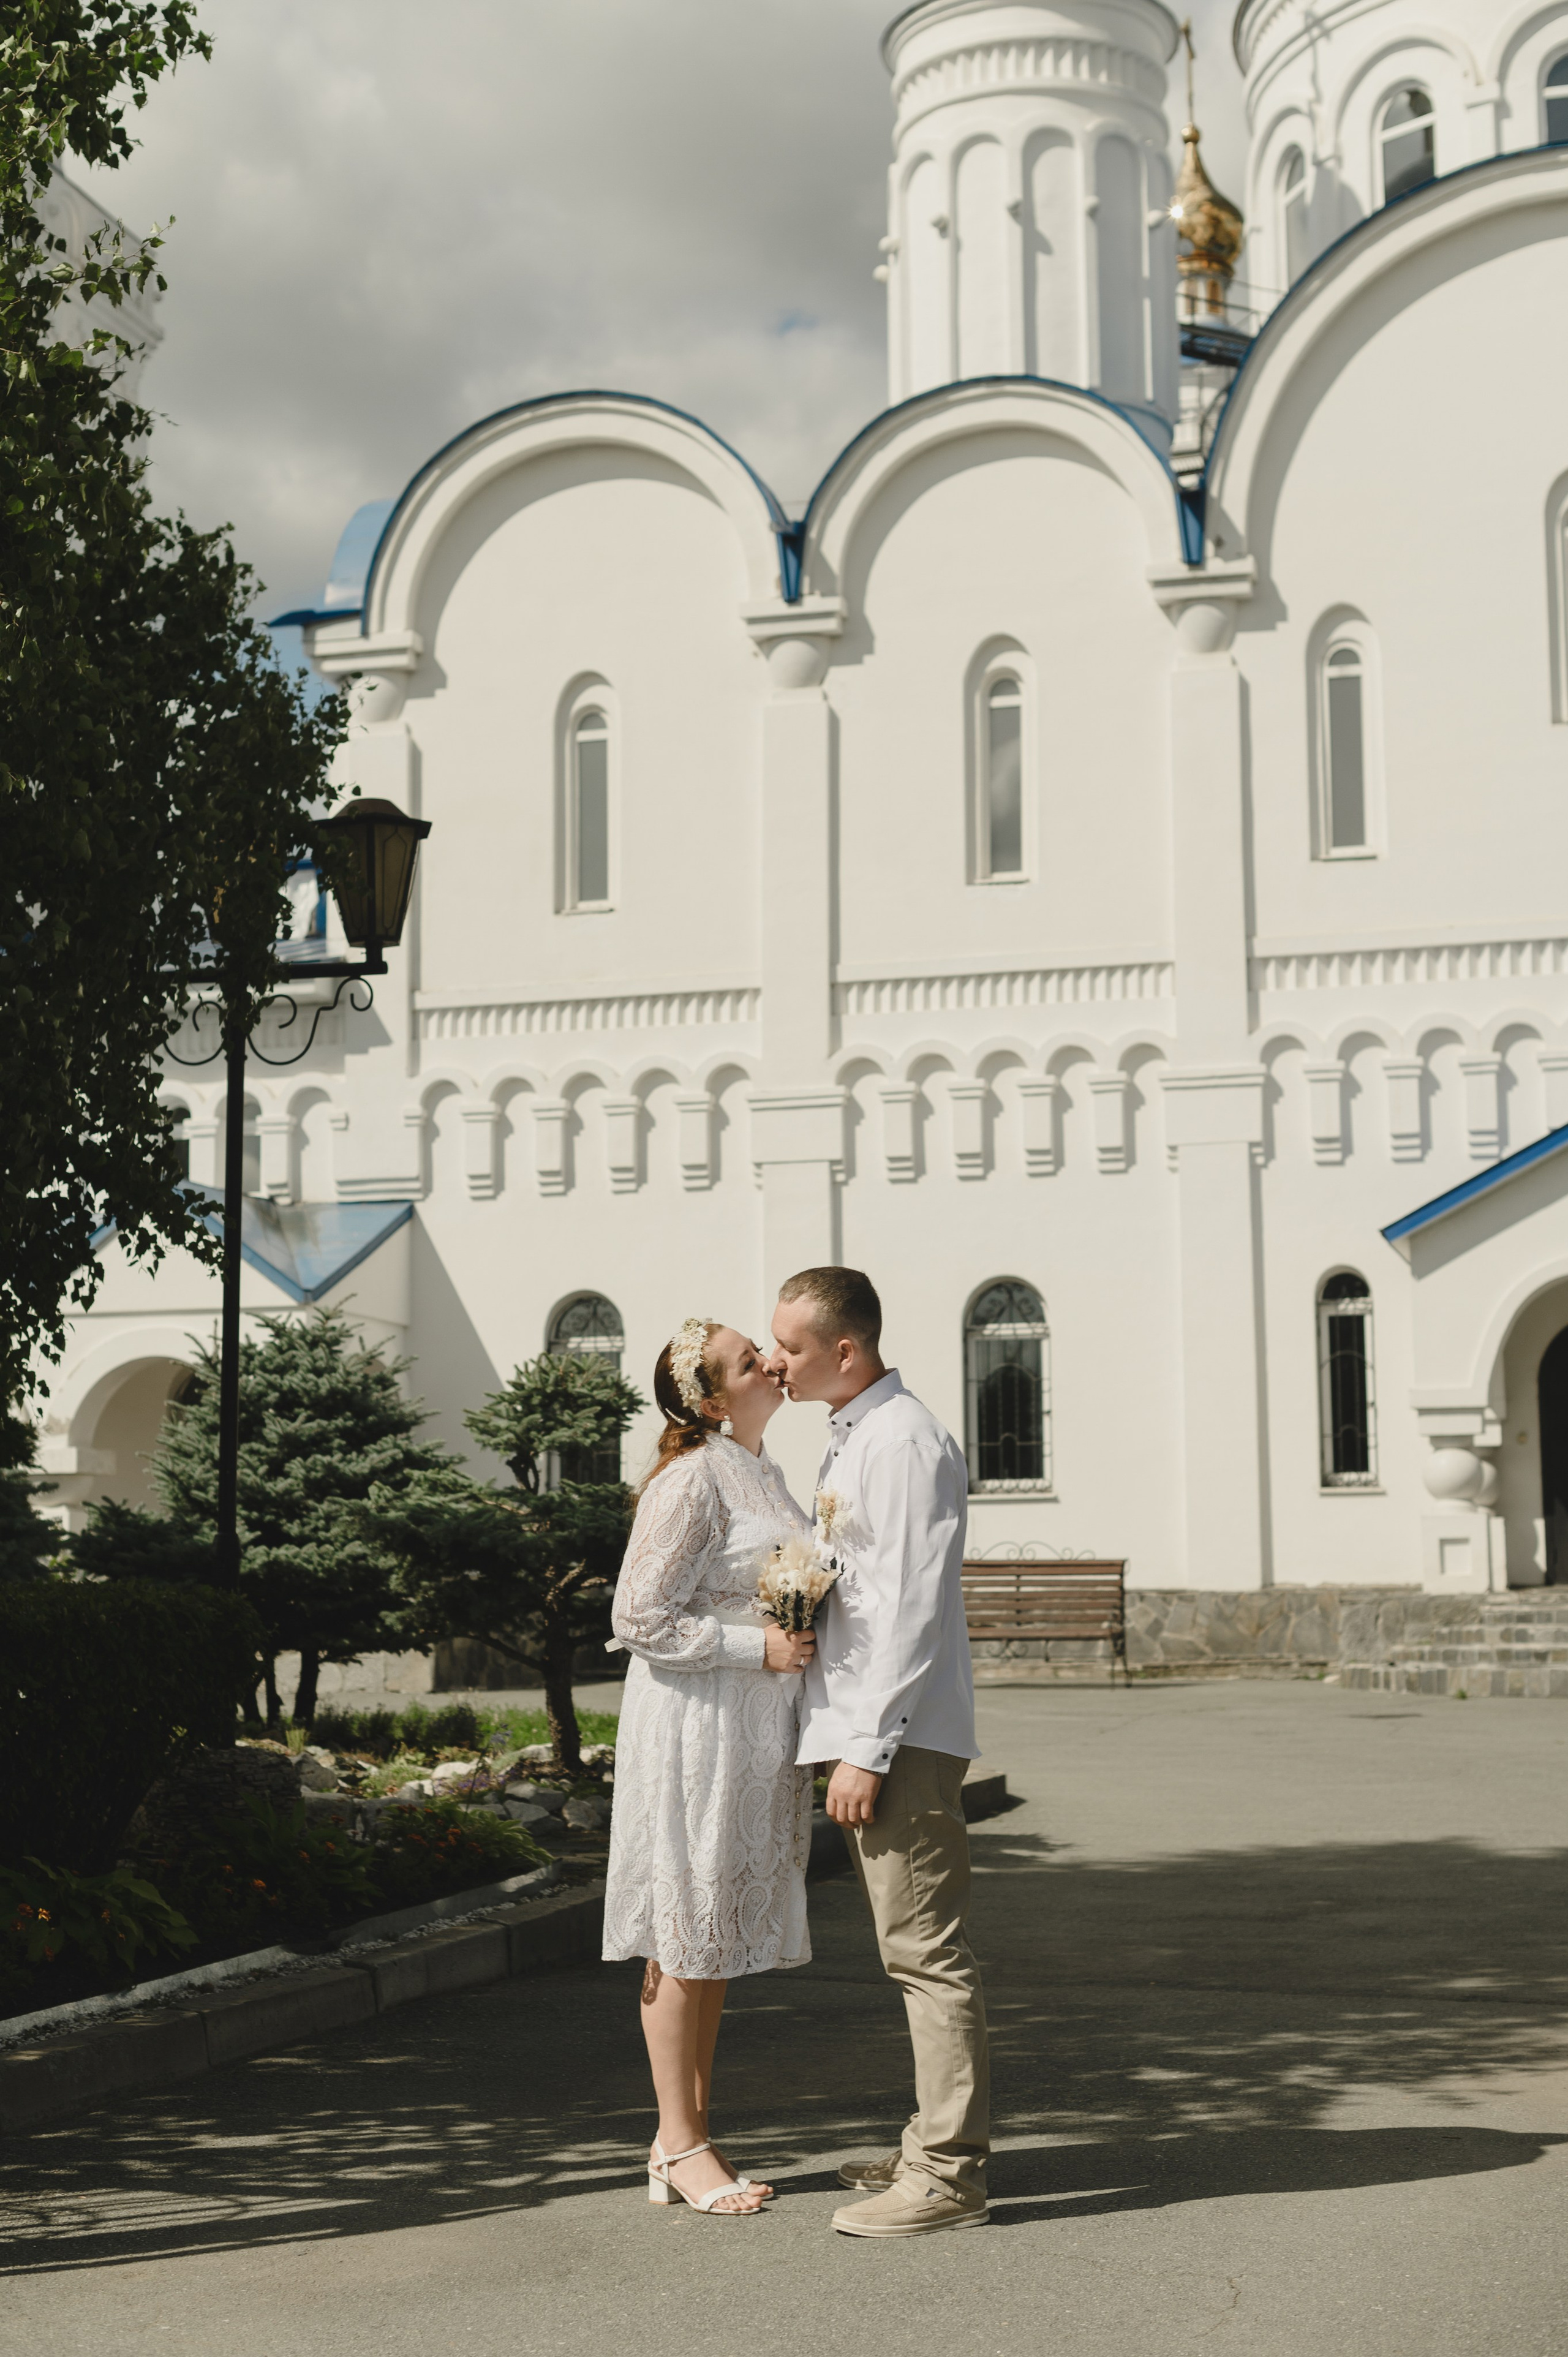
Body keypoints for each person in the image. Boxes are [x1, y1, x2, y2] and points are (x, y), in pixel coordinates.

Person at [769, 1266, 990, 2237]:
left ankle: (947, 2178)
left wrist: (868, 1750)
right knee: (914, 1951)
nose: (777, 1362)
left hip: (898, 1740)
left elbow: (910, 1610)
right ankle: (928, 2144)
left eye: (792, 1346)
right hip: (879, 1731)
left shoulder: (900, 1443)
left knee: (926, 1956)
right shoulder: (860, 1434)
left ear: (845, 1351)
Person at [602, 1318, 815, 2217]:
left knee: (716, 1933)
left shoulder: (759, 1467)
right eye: (745, 1358)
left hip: (752, 1731)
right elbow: (637, 1616)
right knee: (686, 1929)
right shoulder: (690, 1477)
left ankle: (680, 2134)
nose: (769, 1359)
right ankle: (681, 2146)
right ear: (712, 1400)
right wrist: (750, 1648)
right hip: (694, 1726)